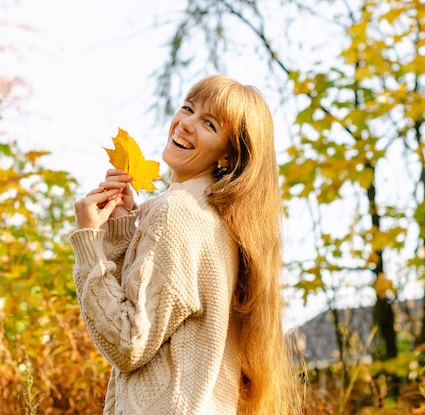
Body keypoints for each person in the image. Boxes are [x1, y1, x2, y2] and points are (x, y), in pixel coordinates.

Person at [70, 74, 296, 414]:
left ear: (228, 156)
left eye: (209, 124)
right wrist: (119, 231)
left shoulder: (175, 213)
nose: (185, 124)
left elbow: (128, 341)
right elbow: (150, 322)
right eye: (187, 108)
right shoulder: (221, 223)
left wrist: (89, 242)